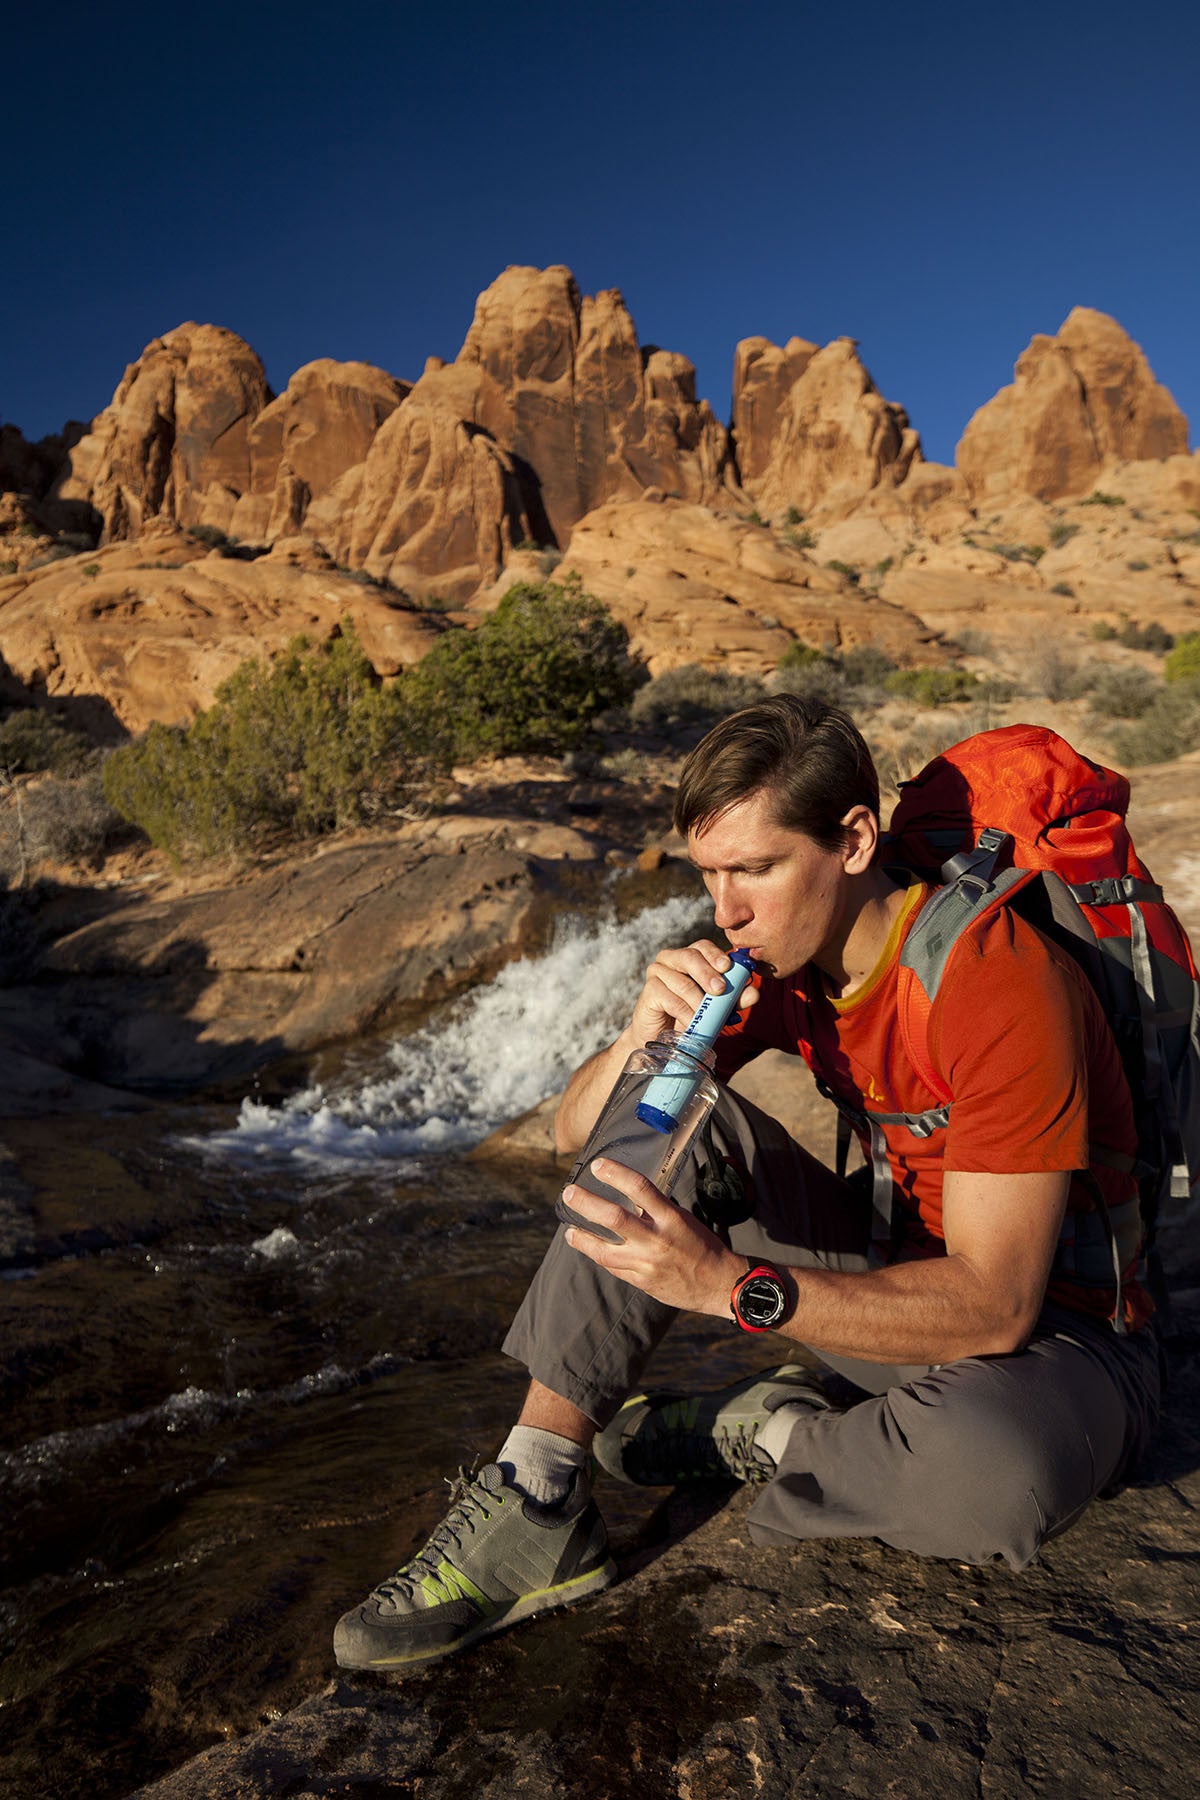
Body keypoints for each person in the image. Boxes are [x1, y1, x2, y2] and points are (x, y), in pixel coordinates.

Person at [333, 696, 1162, 1672]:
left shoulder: (993, 977)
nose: (725, 910)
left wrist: (727, 1287)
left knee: (996, 1478)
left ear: (854, 841)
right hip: (882, 1286)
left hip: (1062, 1343)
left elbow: (997, 1307)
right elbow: (575, 1133)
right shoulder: (774, 959)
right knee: (670, 1111)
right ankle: (536, 1489)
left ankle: (777, 1432)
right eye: (709, 874)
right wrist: (639, 1037)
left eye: (755, 870)